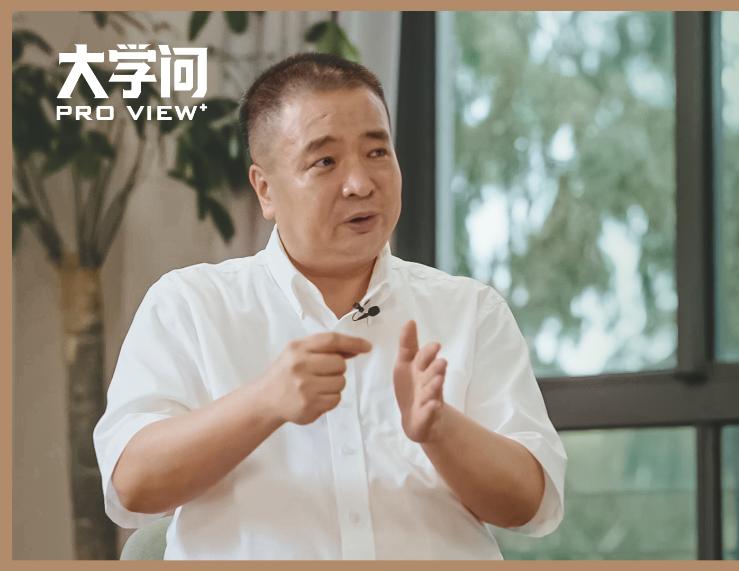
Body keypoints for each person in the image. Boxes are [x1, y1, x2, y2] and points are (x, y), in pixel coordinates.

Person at [92, 53, 566, 560]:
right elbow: (131, 485)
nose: (361, 183)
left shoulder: (469, 309)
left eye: (377, 152)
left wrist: (442, 430)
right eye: (325, 162)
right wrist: (264, 402)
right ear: (266, 189)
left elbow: (530, 505)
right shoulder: (191, 304)